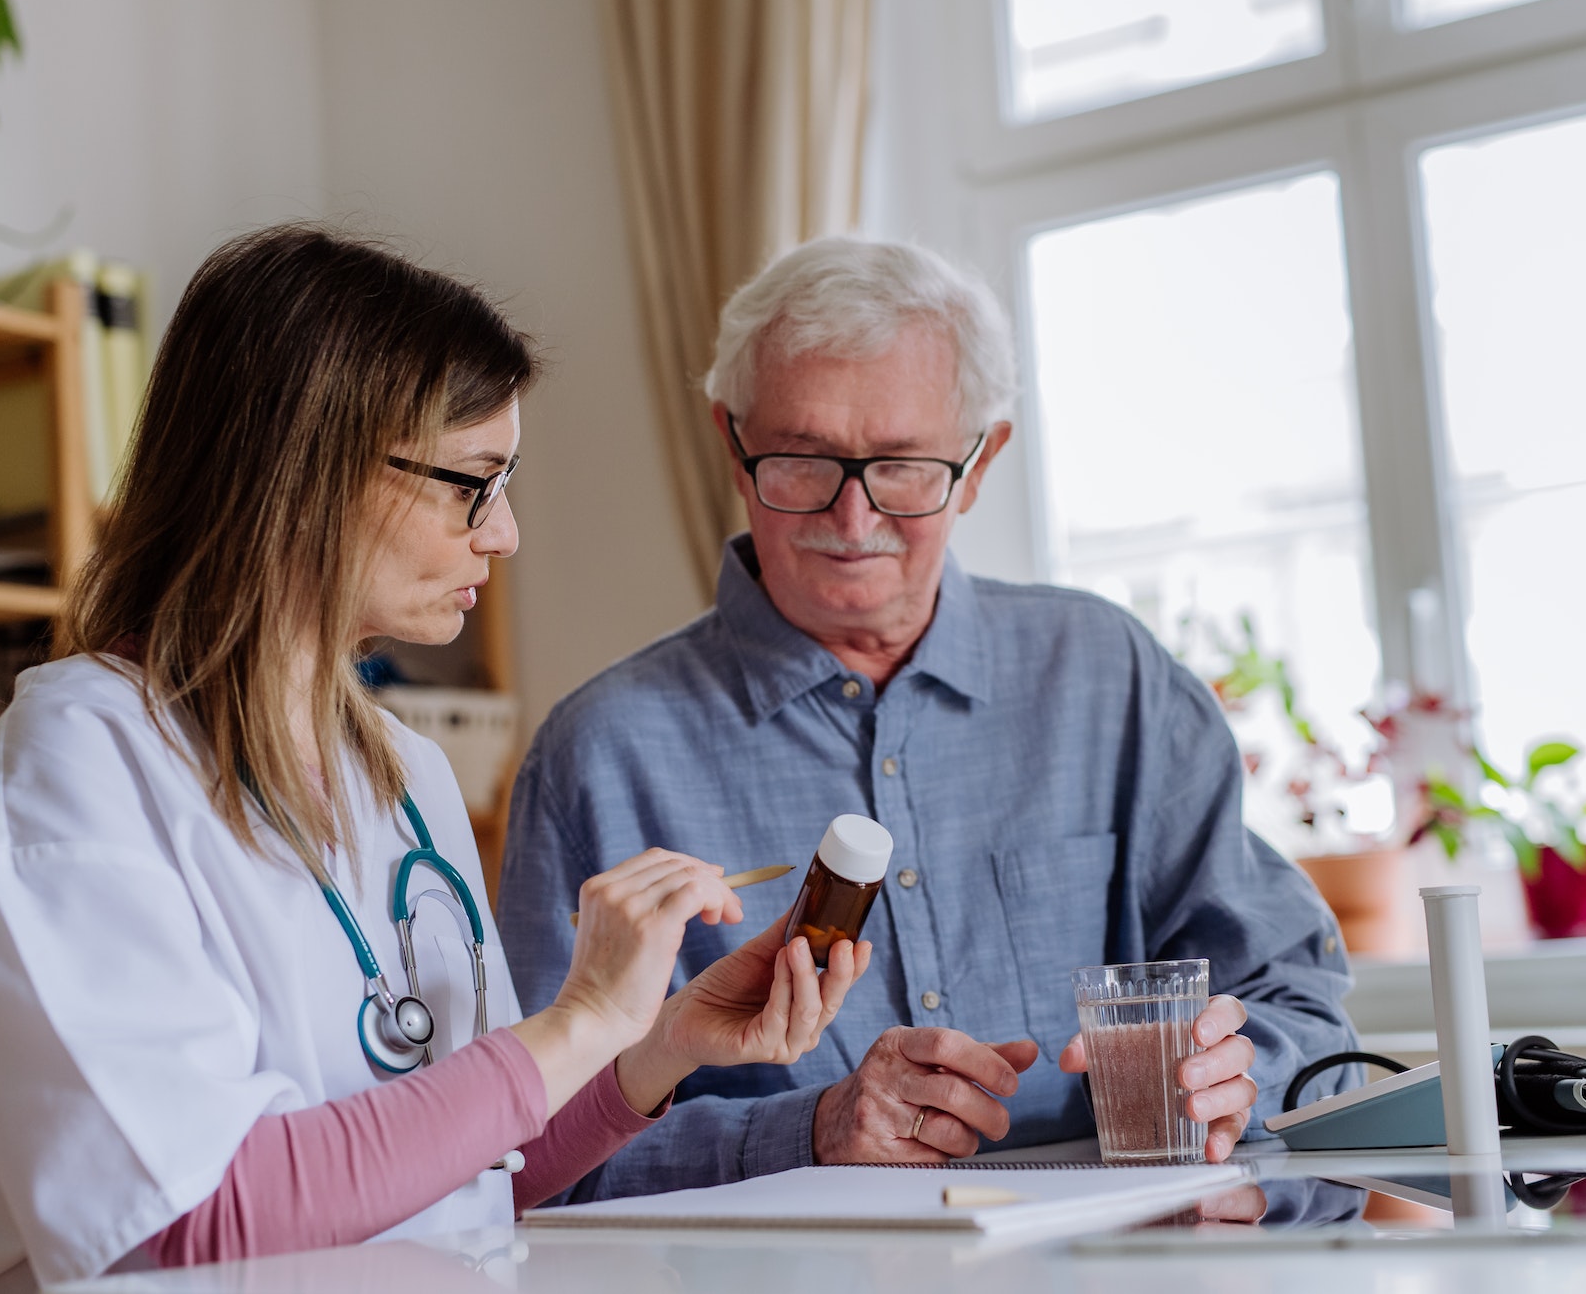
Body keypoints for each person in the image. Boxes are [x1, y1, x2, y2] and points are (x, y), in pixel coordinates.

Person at [0, 225, 869, 1293]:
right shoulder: (73, 770)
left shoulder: (403, 774)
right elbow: (198, 1220)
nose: (503, 532)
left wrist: (657, 1046)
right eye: (474, 480)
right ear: (306, 465)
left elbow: (471, 1183)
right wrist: (577, 1022)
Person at [498, 236, 1360, 1201]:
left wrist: (1240, 1076)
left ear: (982, 459)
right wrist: (809, 1130)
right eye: (802, 460)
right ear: (733, 448)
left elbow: (1302, 1002)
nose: (853, 520)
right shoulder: (597, 755)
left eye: (905, 467)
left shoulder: (1109, 676)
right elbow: (523, 1153)